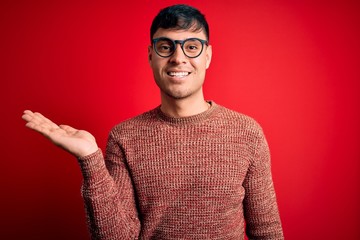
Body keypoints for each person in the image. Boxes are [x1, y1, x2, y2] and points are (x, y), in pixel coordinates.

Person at [22, 4, 284, 240]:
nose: (178, 57)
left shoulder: (246, 132)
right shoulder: (124, 137)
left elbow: (267, 230)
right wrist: (90, 158)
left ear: (207, 56)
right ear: (151, 55)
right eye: (166, 46)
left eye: (192, 46)